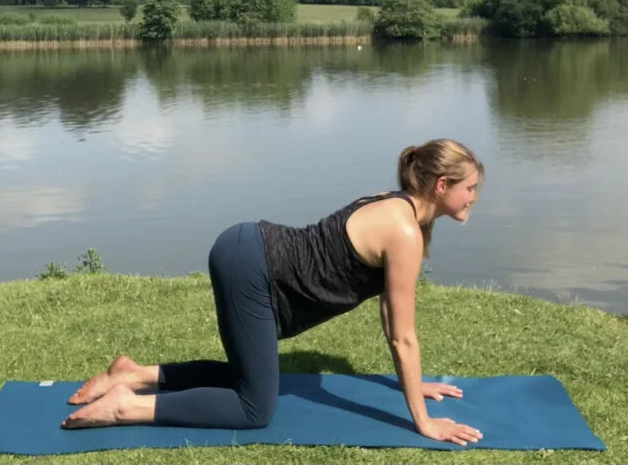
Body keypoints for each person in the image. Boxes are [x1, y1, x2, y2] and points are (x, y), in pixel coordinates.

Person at [61, 138, 486, 447]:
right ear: (442, 185)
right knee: (254, 408)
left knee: (252, 377)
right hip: (253, 268)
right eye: (470, 189)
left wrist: (412, 384)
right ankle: (126, 406)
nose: (474, 199)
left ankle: (133, 375)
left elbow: (390, 315)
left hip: (249, 249)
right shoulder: (406, 230)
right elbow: (403, 336)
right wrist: (423, 420)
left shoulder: (396, 205)